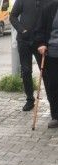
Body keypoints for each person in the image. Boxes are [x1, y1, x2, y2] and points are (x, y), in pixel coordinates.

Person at [10, 0, 44, 111]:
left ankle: (53, 102)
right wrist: (22, 30)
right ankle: (30, 100)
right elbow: (13, 16)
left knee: (45, 71)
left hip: (40, 41)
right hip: (24, 41)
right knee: (26, 71)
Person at [35, 0, 58, 128]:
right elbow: (40, 29)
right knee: (54, 84)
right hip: (53, 53)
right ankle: (56, 116)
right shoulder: (50, 8)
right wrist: (42, 43)